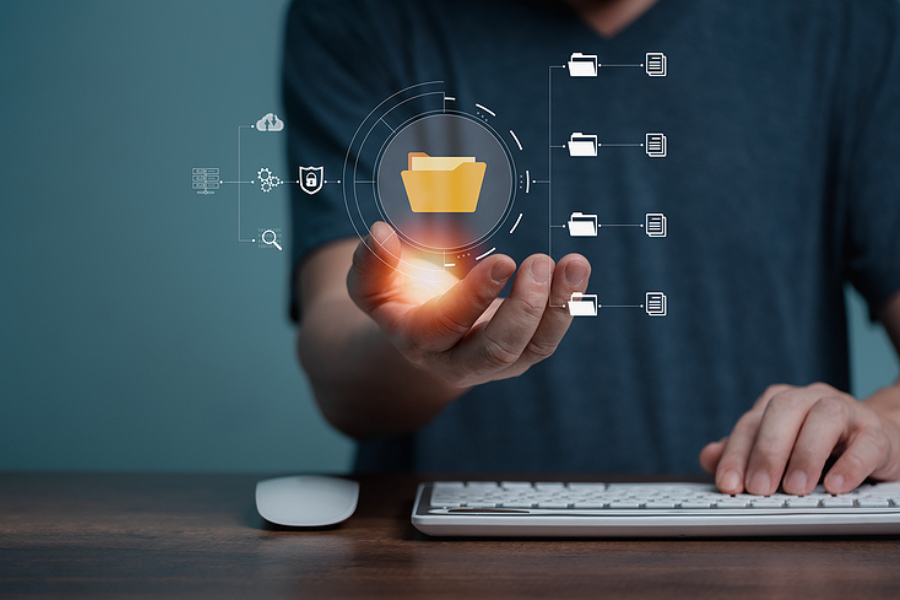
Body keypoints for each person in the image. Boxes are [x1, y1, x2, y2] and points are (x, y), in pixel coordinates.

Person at [283, 0, 900, 496]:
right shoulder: (358, 15)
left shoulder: (850, 22)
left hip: (763, 555)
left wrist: (881, 425)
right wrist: (420, 348)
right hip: (446, 570)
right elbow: (340, 361)